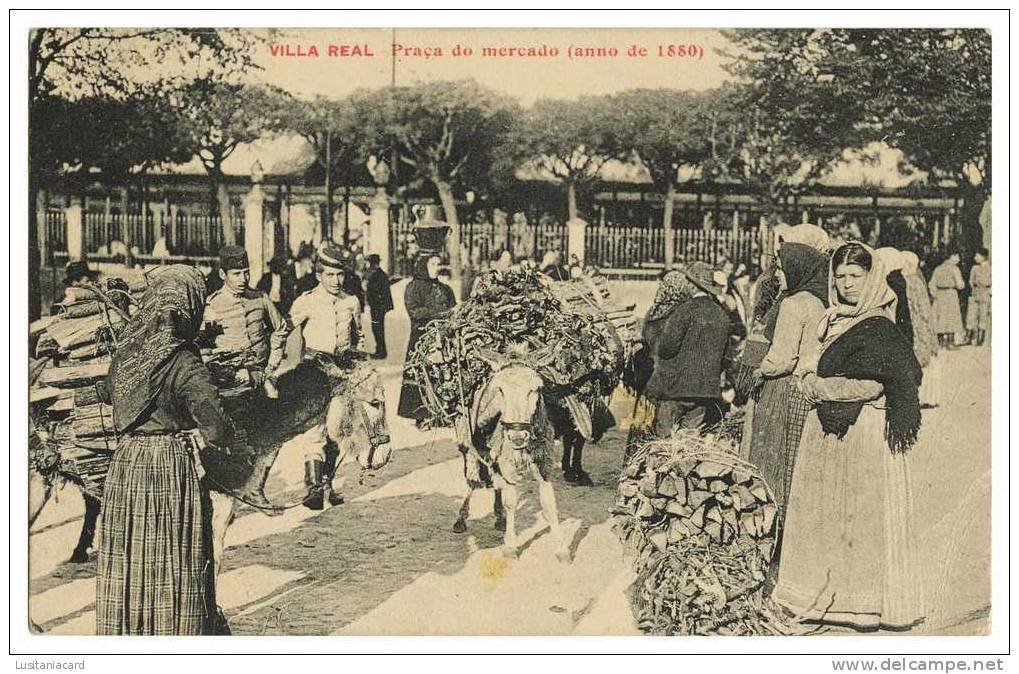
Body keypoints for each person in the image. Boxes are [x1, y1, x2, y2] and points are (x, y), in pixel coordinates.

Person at [773, 242, 924, 631]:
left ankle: (863, 604)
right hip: (829, 433)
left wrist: (819, 387)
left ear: (870, 277)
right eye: (839, 276)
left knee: (859, 518)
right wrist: (811, 377)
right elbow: (809, 361)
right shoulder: (831, 318)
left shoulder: (879, 326)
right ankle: (825, 600)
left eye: (854, 276)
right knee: (828, 517)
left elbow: (873, 385)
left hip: (863, 436)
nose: (846, 284)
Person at [96, 265, 233, 635]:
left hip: (126, 465)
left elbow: (108, 393)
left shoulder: (127, 352)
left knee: (131, 557)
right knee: (175, 555)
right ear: (191, 307)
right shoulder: (185, 361)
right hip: (169, 464)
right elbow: (215, 425)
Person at [288, 242, 367, 510]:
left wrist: (359, 367)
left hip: (341, 372)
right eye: (329, 275)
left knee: (335, 429)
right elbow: (284, 332)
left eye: (340, 274)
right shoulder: (306, 301)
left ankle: (328, 484)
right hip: (313, 371)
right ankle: (313, 489)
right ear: (319, 275)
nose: (335, 280)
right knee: (315, 429)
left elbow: (358, 338)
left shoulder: (352, 302)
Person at [643, 261, 734, 435]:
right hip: (704, 391)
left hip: (675, 388)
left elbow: (666, 348)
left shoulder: (683, 311)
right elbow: (725, 357)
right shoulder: (722, 314)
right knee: (689, 442)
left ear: (693, 285)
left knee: (664, 440)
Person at [202, 246, 290, 400]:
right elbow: (204, 346)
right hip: (231, 379)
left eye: (246, 272)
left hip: (263, 372)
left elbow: (280, 328)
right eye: (236, 274)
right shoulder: (212, 305)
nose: (243, 279)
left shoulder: (260, 298)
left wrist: (272, 363)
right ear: (223, 274)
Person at [397, 254, 456, 424]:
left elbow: (453, 309)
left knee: (445, 373)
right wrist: (439, 313)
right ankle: (421, 415)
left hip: (443, 338)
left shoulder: (445, 288)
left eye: (439, 264)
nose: (437, 267)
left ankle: (444, 413)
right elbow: (414, 311)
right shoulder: (413, 287)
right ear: (423, 265)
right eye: (432, 264)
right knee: (421, 373)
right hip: (421, 336)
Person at [900, 251, 940, 407]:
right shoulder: (913, 281)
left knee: (923, 359)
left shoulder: (911, 281)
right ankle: (925, 396)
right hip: (918, 323)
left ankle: (925, 397)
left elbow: (922, 308)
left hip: (918, 324)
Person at [928, 252, 965, 347]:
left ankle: (940, 341)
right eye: (957, 257)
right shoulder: (954, 269)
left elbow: (931, 283)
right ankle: (950, 341)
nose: (958, 259)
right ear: (952, 256)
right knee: (952, 316)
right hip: (950, 293)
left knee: (940, 316)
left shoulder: (938, 268)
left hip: (940, 294)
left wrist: (934, 294)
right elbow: (960, 285)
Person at [364, 254, 394, 359]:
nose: (367, 265)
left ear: (373, 263)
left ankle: (381, 352)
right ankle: (379, 350)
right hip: (377, 306)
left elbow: (379, 292)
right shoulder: (378, 274)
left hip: (378, 307)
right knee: (377, 328)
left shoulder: (378, 275)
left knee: (377, 328)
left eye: (369, 263)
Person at [966, 248, 991, 346]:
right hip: (975, 293)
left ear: (983, 257)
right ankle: (969, 337)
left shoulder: (990, 268)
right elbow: (971, 281)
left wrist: (984, 284)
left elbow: (990, 281)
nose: (975, 258)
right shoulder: (974, 268)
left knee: (983, 315)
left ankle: (981, 339)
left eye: (977, 256)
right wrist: (974, 286)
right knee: (971, 315)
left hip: (985, 293)